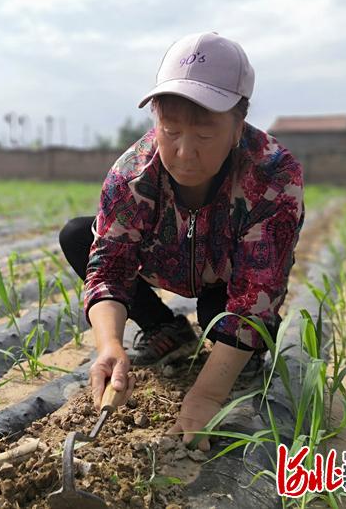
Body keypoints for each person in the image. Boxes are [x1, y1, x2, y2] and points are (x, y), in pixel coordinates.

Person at [58, 31, 304, 451]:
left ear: (237, 126)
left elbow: (256, 297)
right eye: (170, 131)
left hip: (229, 279)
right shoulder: (133, 173)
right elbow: (110, 268)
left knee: (228, 316)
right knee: (80, 235)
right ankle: (165, 329)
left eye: (205, 136)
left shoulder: (273, 177)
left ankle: (237, 356)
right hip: (166, 261)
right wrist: (108, 345)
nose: (184, 152)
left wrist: (206, 398)